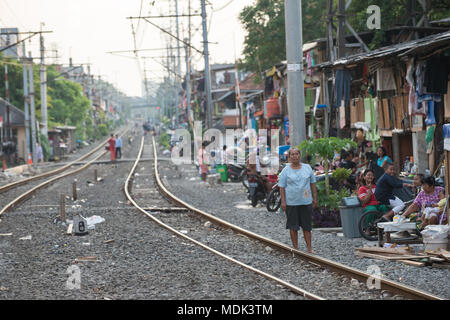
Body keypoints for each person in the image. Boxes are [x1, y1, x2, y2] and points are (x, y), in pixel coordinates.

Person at [279, 147, 318, 253]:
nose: (295, 156)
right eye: (292, 154)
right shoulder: (285, 170)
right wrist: (283, 201)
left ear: (300, 156)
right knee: (293, 226)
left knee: (307, 226)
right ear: (289, 157)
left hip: (306, 202)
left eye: (297, 154)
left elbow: (313, 184)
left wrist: (315, 198)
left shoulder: (307, 168)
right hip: (291, 202)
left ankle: (309, 248)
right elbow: (281, 187)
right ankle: (296, 248)